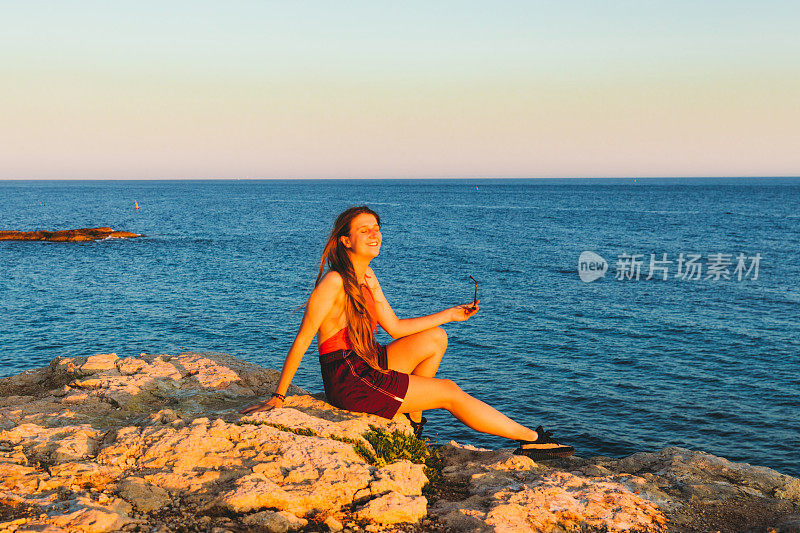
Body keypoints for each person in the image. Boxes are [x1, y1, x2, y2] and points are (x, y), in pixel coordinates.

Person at [240, 206, 574, 459]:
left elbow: (396, 327)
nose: (375, 234)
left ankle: (413, 424)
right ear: (346, 240)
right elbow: (302, 340)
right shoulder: (335, 282)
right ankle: (533, 441)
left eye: (377, 228)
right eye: (364, 230)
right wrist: (279, 397)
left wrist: (450, 315)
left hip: (368, 362)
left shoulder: (367, 277)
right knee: (448, 391)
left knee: (435, 338)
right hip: (351, 378)